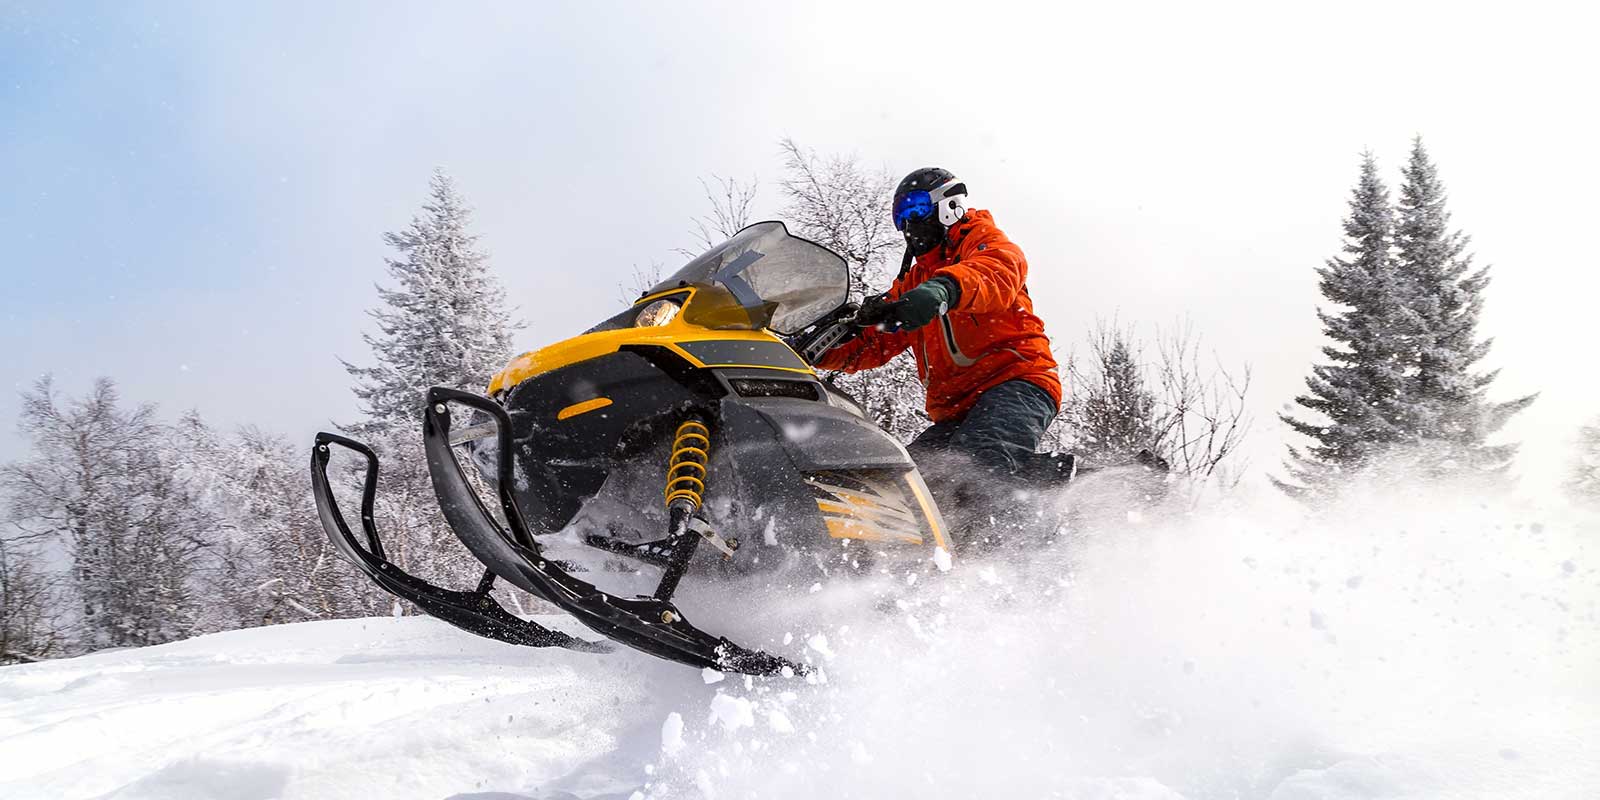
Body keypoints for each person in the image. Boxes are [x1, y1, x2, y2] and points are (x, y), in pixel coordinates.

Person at [816, 167, 1061, 493]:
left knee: (975, 468)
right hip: (957, 410)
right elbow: (872, 345)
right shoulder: (913, 284)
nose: (909, 223)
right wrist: (819, 345)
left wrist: (943, 290)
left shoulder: (981, 242)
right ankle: (1056, 482)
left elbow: (996, 271)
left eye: (916, 208)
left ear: (949, 206)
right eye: (901, 215)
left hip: (1016, 382)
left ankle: (1017, 539)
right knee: (908, 486)